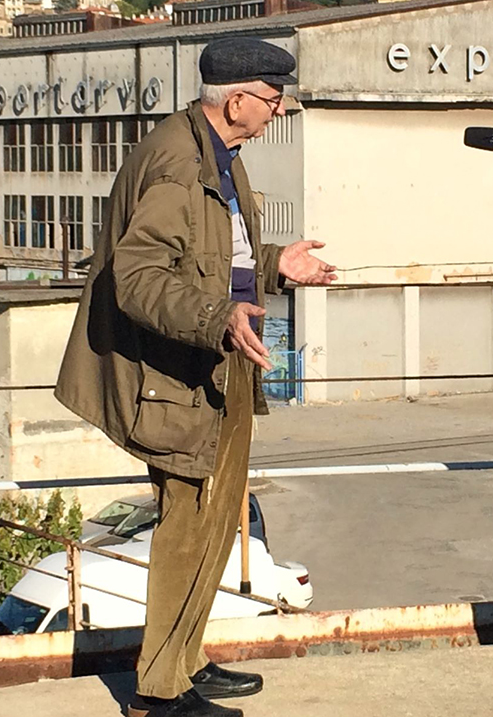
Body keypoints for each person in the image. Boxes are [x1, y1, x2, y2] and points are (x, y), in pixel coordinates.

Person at [55, 38, 336, 717]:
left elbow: (211, 256)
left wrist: (273, 264)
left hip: (218, 360)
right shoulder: (180, 165)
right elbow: (138, 277)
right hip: (178, 372)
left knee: (215, 520)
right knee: (188, 522)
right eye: (272, 100)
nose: (277, 112)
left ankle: (183, 659)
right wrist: (218, 316)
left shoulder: (216, 154)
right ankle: (159, 690)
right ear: (236, 100)